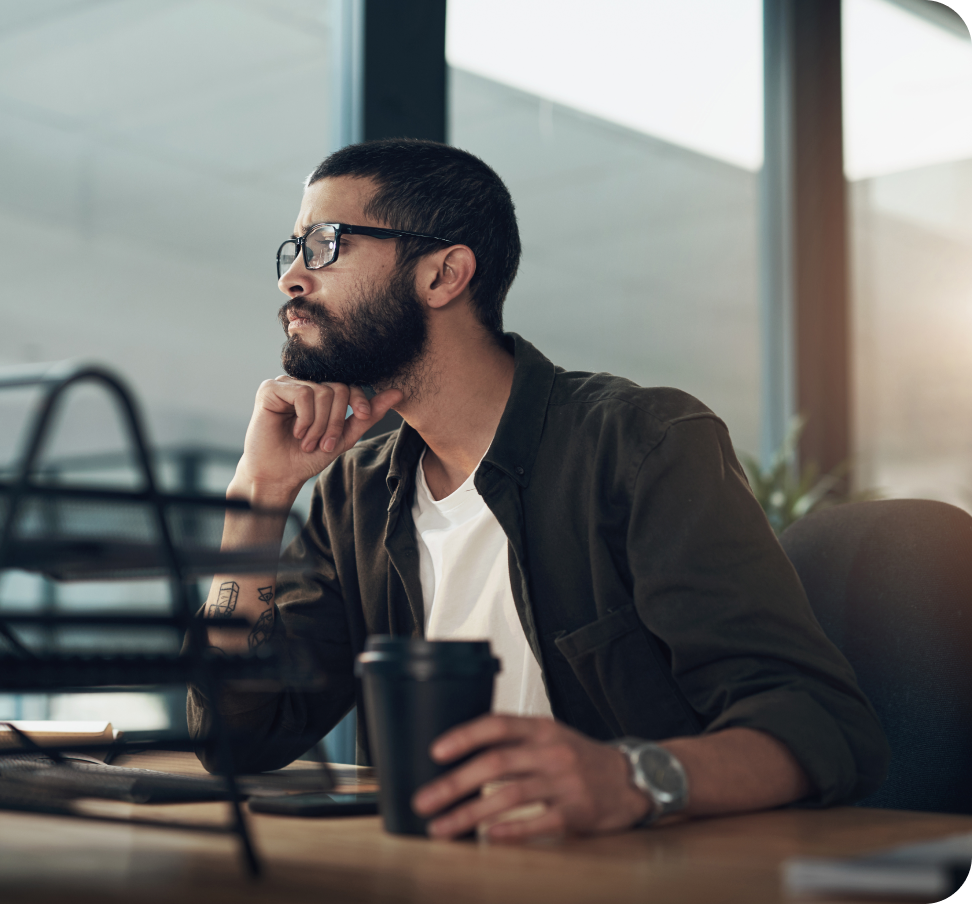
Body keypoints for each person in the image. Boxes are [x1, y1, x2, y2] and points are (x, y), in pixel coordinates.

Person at [187, 139, 889, 841]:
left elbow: (818, 726)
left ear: (443, 274)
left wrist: (630, 779)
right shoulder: (355, 493)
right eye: (295, 249)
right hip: (432, 879)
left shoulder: (640, 445)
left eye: (326, 244)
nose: (293, 280)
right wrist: (258, 498)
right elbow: (237, 739)